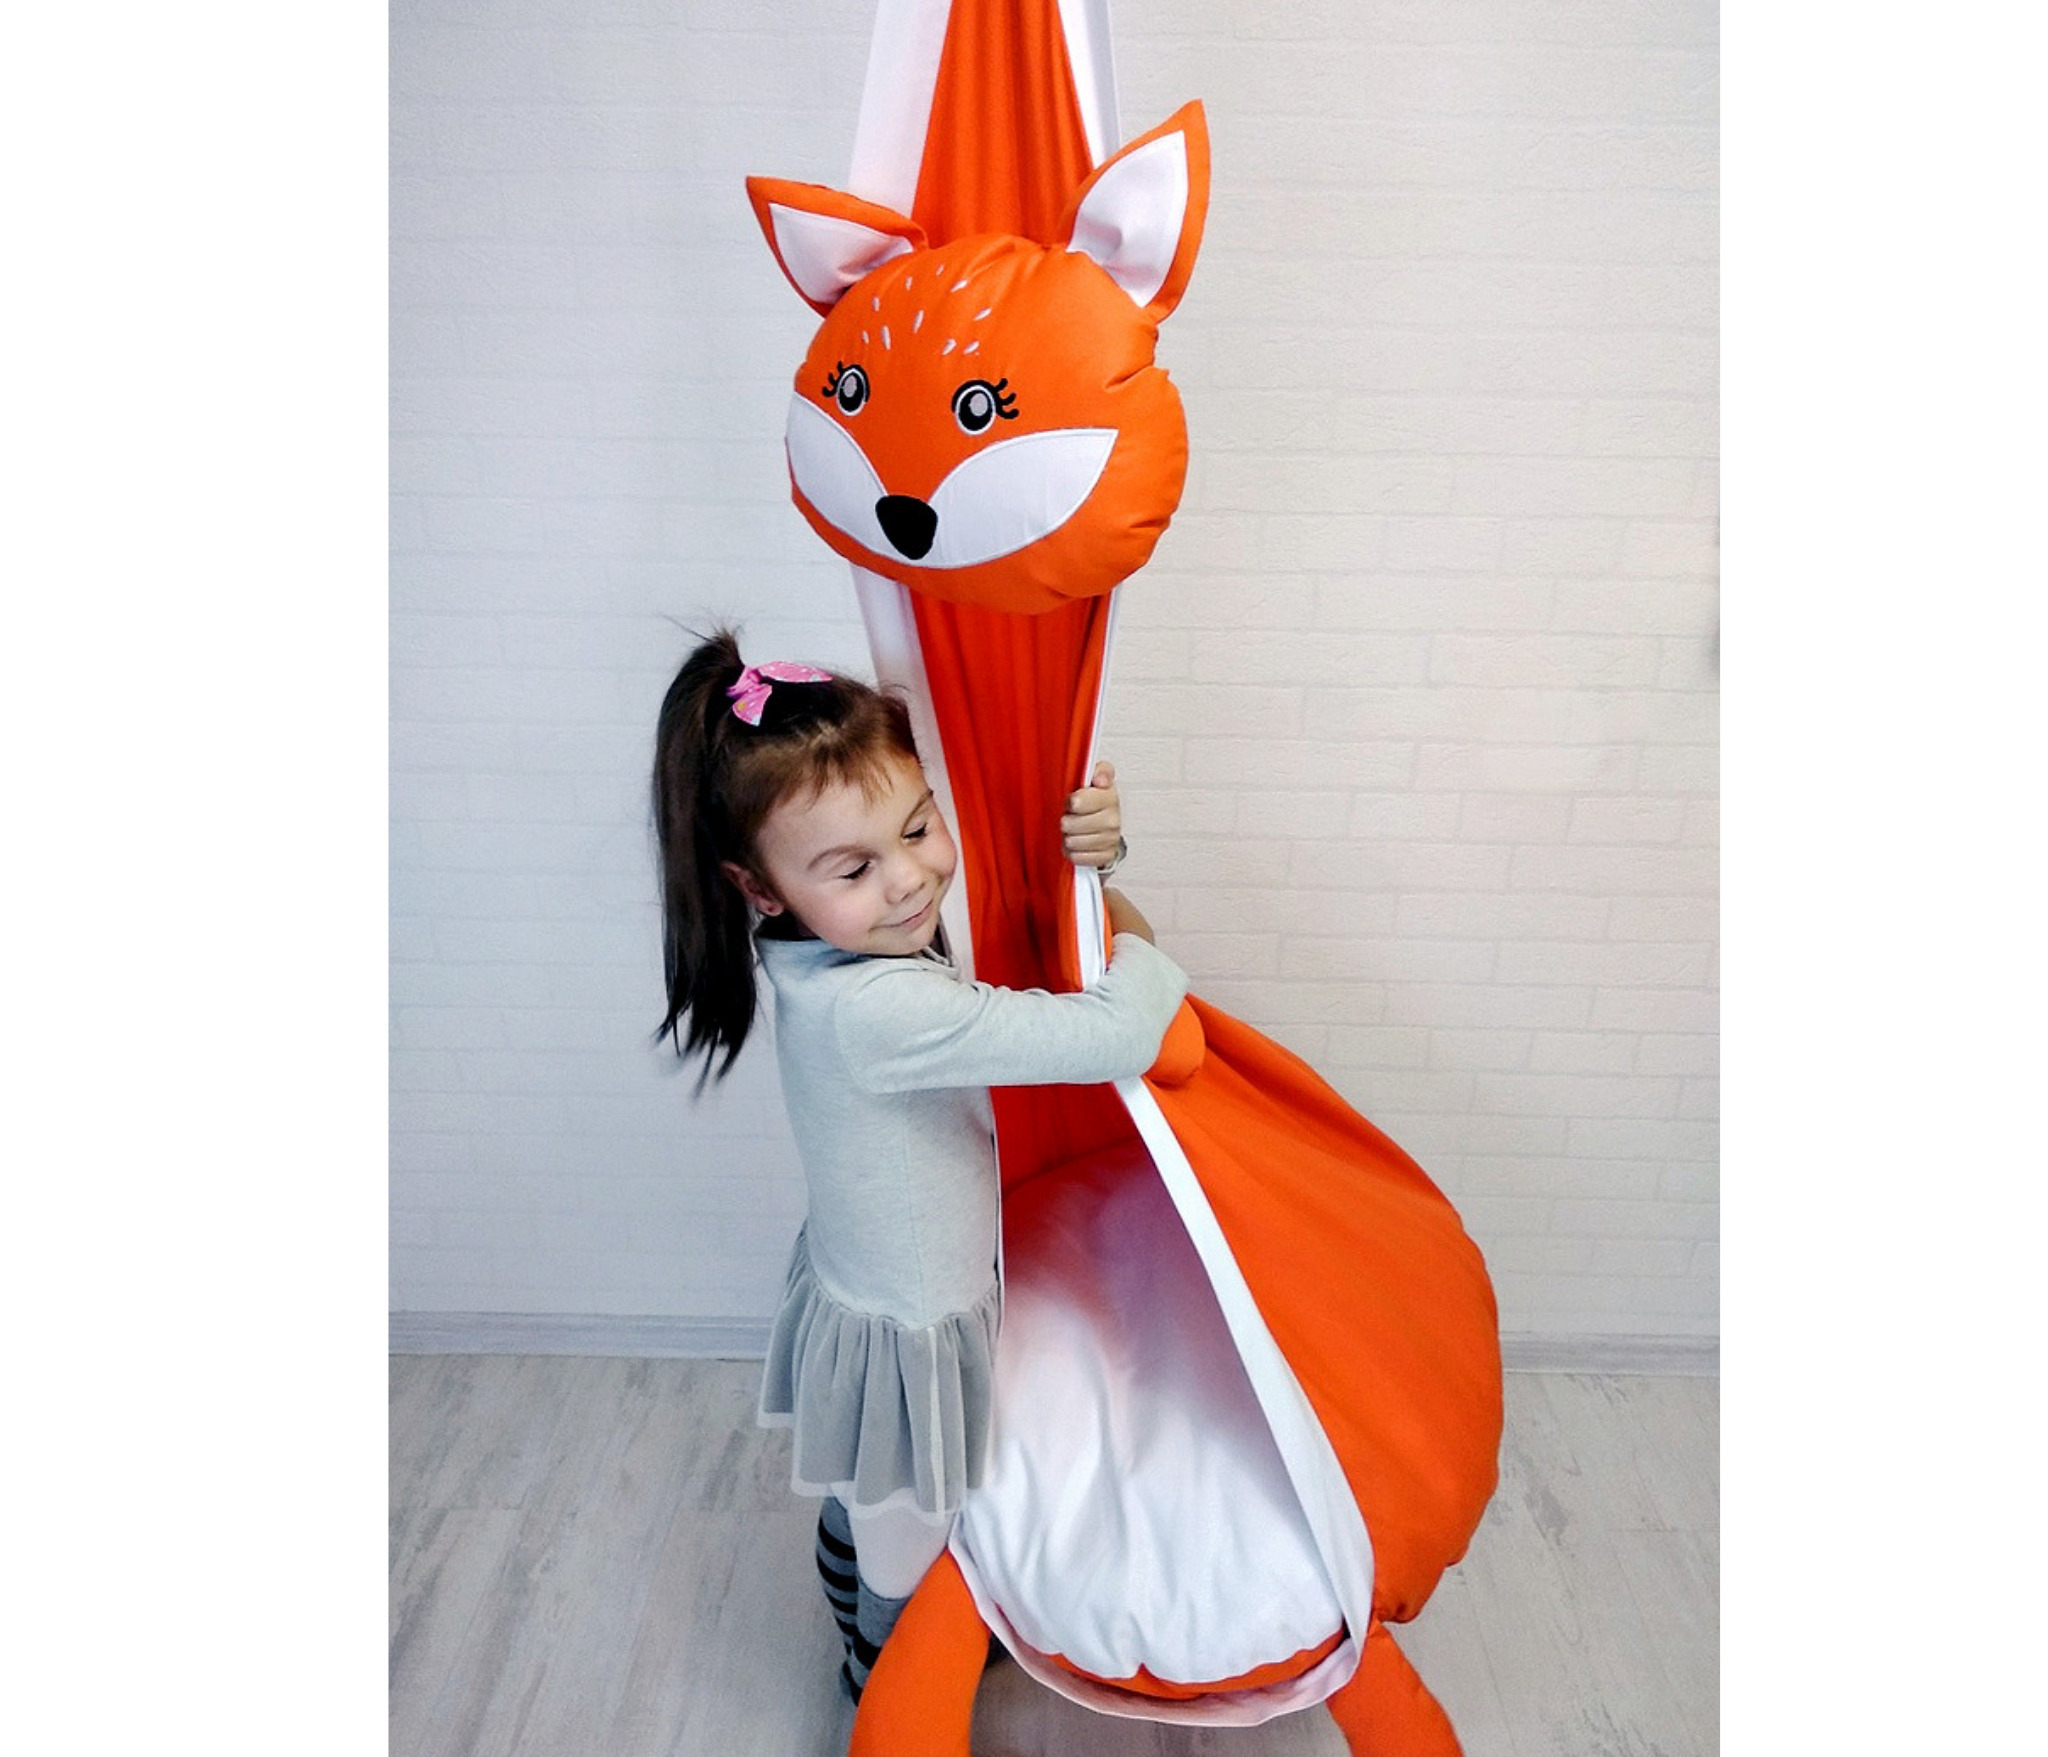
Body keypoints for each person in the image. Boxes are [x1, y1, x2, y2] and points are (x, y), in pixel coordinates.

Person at [651, 629, 1187, 1701]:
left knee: (868, 1499)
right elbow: (1121, 1031)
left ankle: (855, 1605)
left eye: (917, 825)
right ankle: (883, 1683)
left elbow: (976, 900)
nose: (909, 880)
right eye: (854, 867)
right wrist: (1134, 925)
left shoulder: (818, 946)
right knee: (913, 1555)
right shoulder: (880, 1008)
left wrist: (1094, 860)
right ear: (758, 886)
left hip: (865, 1289)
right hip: (907, 1325)